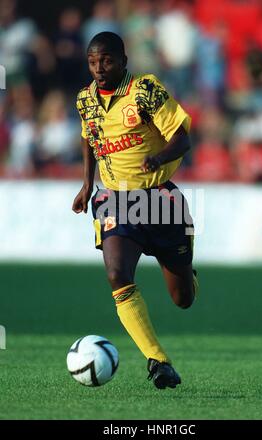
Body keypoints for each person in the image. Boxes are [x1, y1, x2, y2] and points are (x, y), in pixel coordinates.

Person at [72, 32, 198, 389]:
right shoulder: (85, 99)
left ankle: (188, 268)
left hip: (159, 199)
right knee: (117, 274)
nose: (99, 68)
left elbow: (183, 137)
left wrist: (158, 157)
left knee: (183, 298)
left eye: (107, 61)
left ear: (124, 60)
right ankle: (158, 361)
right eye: (93, 62)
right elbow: (88, 136)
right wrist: (86, 183)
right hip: (114, 199)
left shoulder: (145, 90)